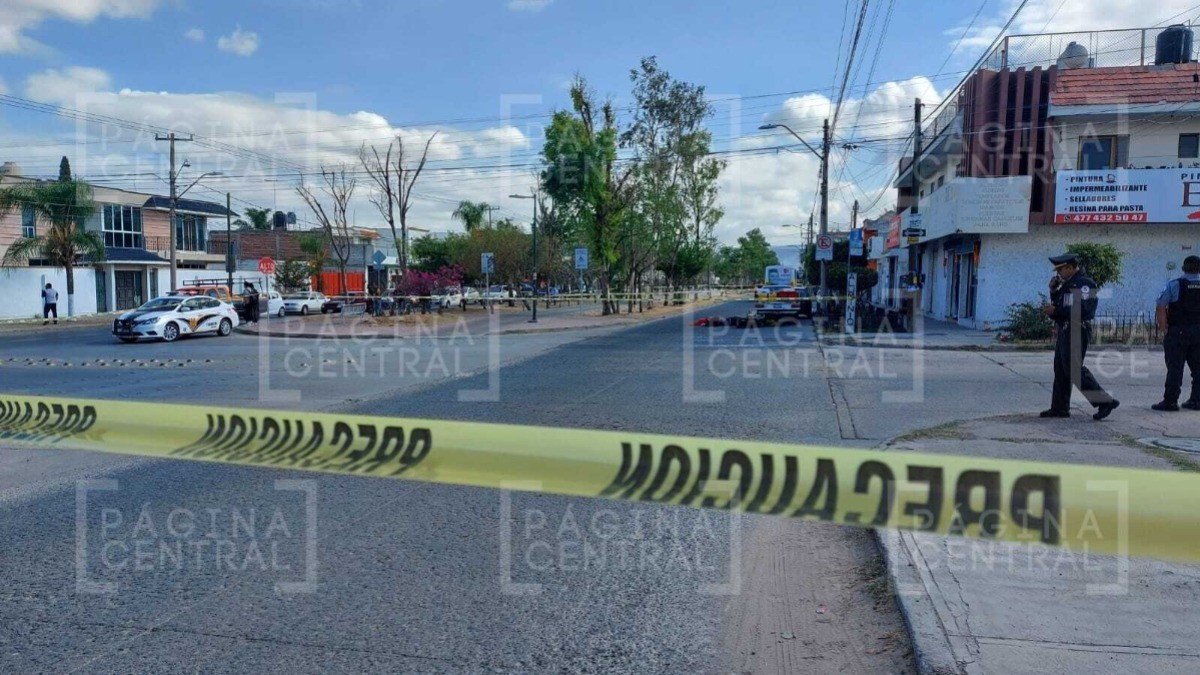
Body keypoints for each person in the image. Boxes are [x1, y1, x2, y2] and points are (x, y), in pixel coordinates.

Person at [1040, 253, 1120, 420]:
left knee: (1074, 369)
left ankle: (1104, 401)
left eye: (1061, 270)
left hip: (1077, 329)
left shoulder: (1085, 284)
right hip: (1066, 329)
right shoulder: (1068, 284)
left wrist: (1056, 311)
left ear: (1070, 267)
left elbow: (1084, 310)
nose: (1058, 274)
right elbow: (1062, 306)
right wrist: (1053, 291)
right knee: (1061, 369)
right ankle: (1060, 408)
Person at [1153, 255, 1200, 411]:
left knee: (1175, 368)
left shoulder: (1175, 284)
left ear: (1183, 268)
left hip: (1178, 332)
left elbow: (1161, 305)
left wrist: (1163, 327)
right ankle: (1196, 401)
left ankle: (1171, 402)